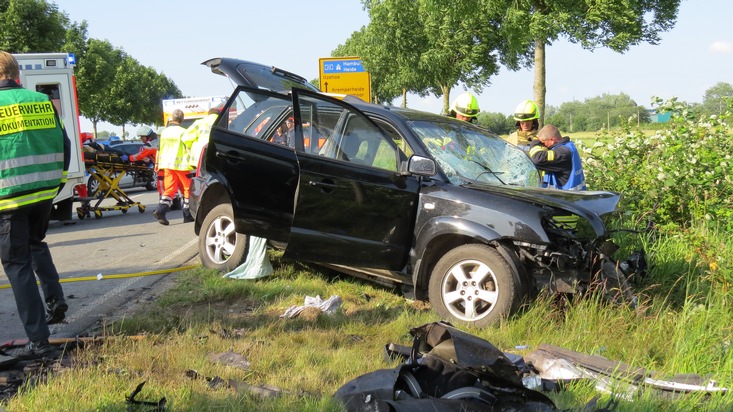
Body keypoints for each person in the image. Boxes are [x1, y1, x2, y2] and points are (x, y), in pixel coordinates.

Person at [0, 51, 69, 358]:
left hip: (9, 198)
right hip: (43, 192)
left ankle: (38, 341)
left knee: (16, 265)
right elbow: (64, 143)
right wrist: (59, 180)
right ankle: (56, 300)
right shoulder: (41, 101)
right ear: (15, 73)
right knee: (36, 243)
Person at [153, 109, 194, 225]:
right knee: (187, 190)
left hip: (167, 164)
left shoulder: (165, 132)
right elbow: (188, 148)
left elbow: (159, 149)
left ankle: (160, 211)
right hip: (182, 166)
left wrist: (157, 164)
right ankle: (187, 214)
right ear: (182, 119)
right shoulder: (184, 132)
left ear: (172, 118)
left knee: (170, 189)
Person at [528, 124, 586, 190]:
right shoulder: (568, 146)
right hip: (572, 197)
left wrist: (535, 143)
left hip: (566, 198)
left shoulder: (562, 153)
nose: (543, 146)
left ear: (552, 140)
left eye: (543, 143)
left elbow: (537, 159)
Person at [182, 107, 218, 171]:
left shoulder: (200, 122)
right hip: (216, 157)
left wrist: (190, 148)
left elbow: (186, 138)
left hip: (199, 157)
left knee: (201, 179)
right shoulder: (222, 123)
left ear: (208, 114)